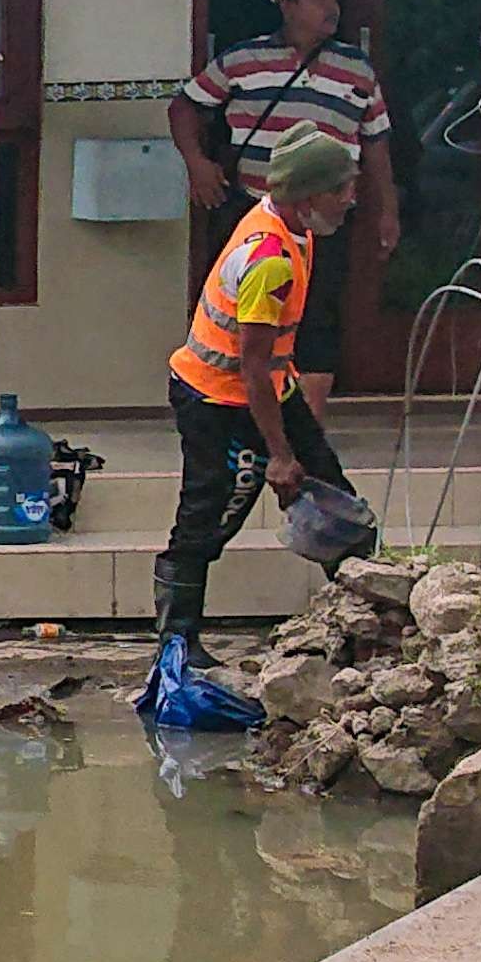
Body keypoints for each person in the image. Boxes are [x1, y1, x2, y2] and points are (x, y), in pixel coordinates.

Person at [154, 124, 366, 646]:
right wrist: (277, 454)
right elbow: (250, 368)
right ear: (310, 195)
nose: (350, 200)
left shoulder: (294, 226)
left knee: (337, 499)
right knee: (207, 517)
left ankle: (367, 623)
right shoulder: (268, 259)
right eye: (341, 189)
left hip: (269, 385)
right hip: (216, 399)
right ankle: (177, 647)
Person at [171, 0, 402, 385]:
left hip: (326, 216)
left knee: (316, 316)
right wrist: (197, 163)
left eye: (334, 0)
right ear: (287, 5)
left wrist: (388, 209)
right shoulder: (242, 60)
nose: (331, 9)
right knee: (248, 312)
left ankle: (306, 429)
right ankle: (241, 406)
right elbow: (185, 107)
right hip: (255, 211)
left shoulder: (357, 68)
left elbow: (377, 142)